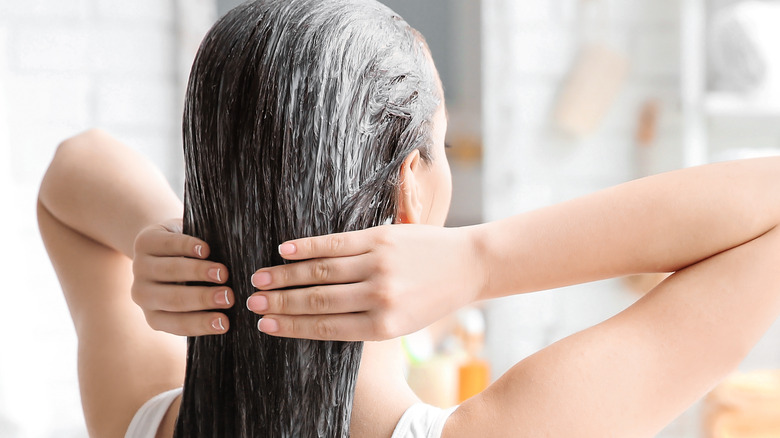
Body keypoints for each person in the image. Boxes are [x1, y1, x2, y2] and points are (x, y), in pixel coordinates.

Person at [39, 3, 780, 438]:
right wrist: (480, 261)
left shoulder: (145, 418)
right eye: (443, 141)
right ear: (410, 191)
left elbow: (72, 171)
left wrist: (179, 240)